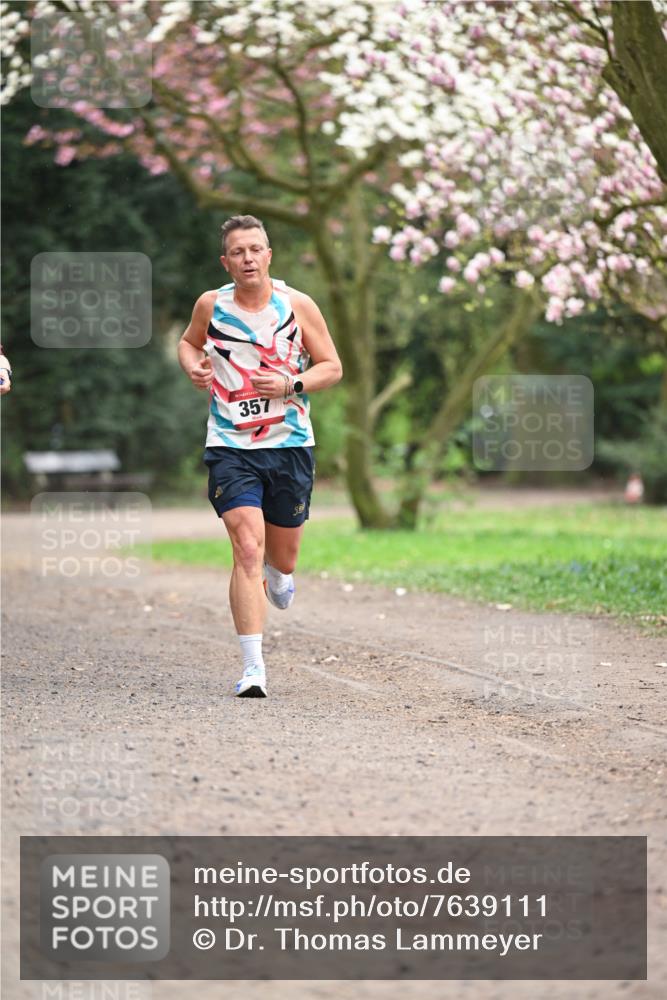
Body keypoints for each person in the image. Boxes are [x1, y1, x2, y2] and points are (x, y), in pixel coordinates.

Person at [178, 215, 342, 698]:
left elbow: (331, 367)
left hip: (289, 445)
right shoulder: (212, 304)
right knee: (247, 547)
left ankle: (281, 573)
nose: (248, 258)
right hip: (230, 444)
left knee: (281, 557)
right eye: (238, 252)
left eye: (256, 249)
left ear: (268, 255)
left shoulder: (297, 306)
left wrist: (292, 383)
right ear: (225, 262)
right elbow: (188, 343)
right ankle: (253, 668)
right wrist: (194, 367)